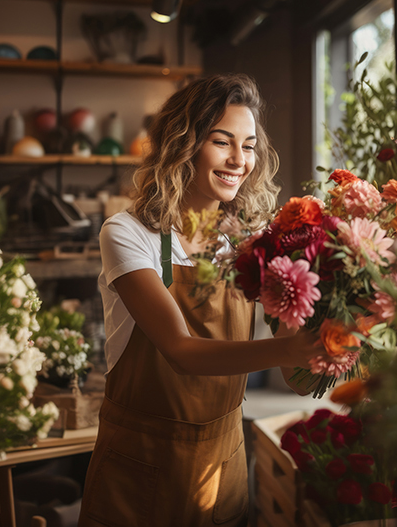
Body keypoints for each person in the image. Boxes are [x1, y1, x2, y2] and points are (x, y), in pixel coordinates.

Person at [78, 73, 326, 527]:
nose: (239, 160)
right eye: (222, 141)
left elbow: (294, 376)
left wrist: (328, 338)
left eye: (249, 146)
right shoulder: (130, 234)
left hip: (222, 468)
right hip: (139, 467)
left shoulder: (252, 241)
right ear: (183, 143)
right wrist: (287, 349)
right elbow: (180, 350)